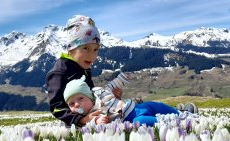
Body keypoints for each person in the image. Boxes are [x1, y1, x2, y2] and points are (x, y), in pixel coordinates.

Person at [46, 15, 123, 127]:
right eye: (86, 48)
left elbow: (91, 95)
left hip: (94, 119)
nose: (92, 55)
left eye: (95, 50)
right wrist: (82, 120)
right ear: (71, 48)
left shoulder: (83, 67)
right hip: (75, 126)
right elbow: (57, 108)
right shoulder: (59, 72)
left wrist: (111, 98)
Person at [63, 72, 198, 126]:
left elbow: (111, 86)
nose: (77, 104)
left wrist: (121, 79)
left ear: (89, 95)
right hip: (129, 120)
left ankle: (178, 112)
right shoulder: (89, 116)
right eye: (71, 103)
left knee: (154, 105)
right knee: (142, 122)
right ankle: (181, 120)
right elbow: (90, 126)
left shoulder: (99, 93)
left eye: (80, 98)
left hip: (134, 107)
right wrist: (98, 121)